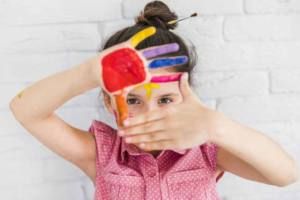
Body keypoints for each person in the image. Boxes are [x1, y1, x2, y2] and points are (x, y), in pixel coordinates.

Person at [9, 1, 299, 200]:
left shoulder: (208, 150)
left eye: (166, 99)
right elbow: (25, 110)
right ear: (110, 104)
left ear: (187, 97)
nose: (150, 113)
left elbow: (285, 175)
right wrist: (89, 72)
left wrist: (215, 125)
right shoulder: (101, 154)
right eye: (133, 101)